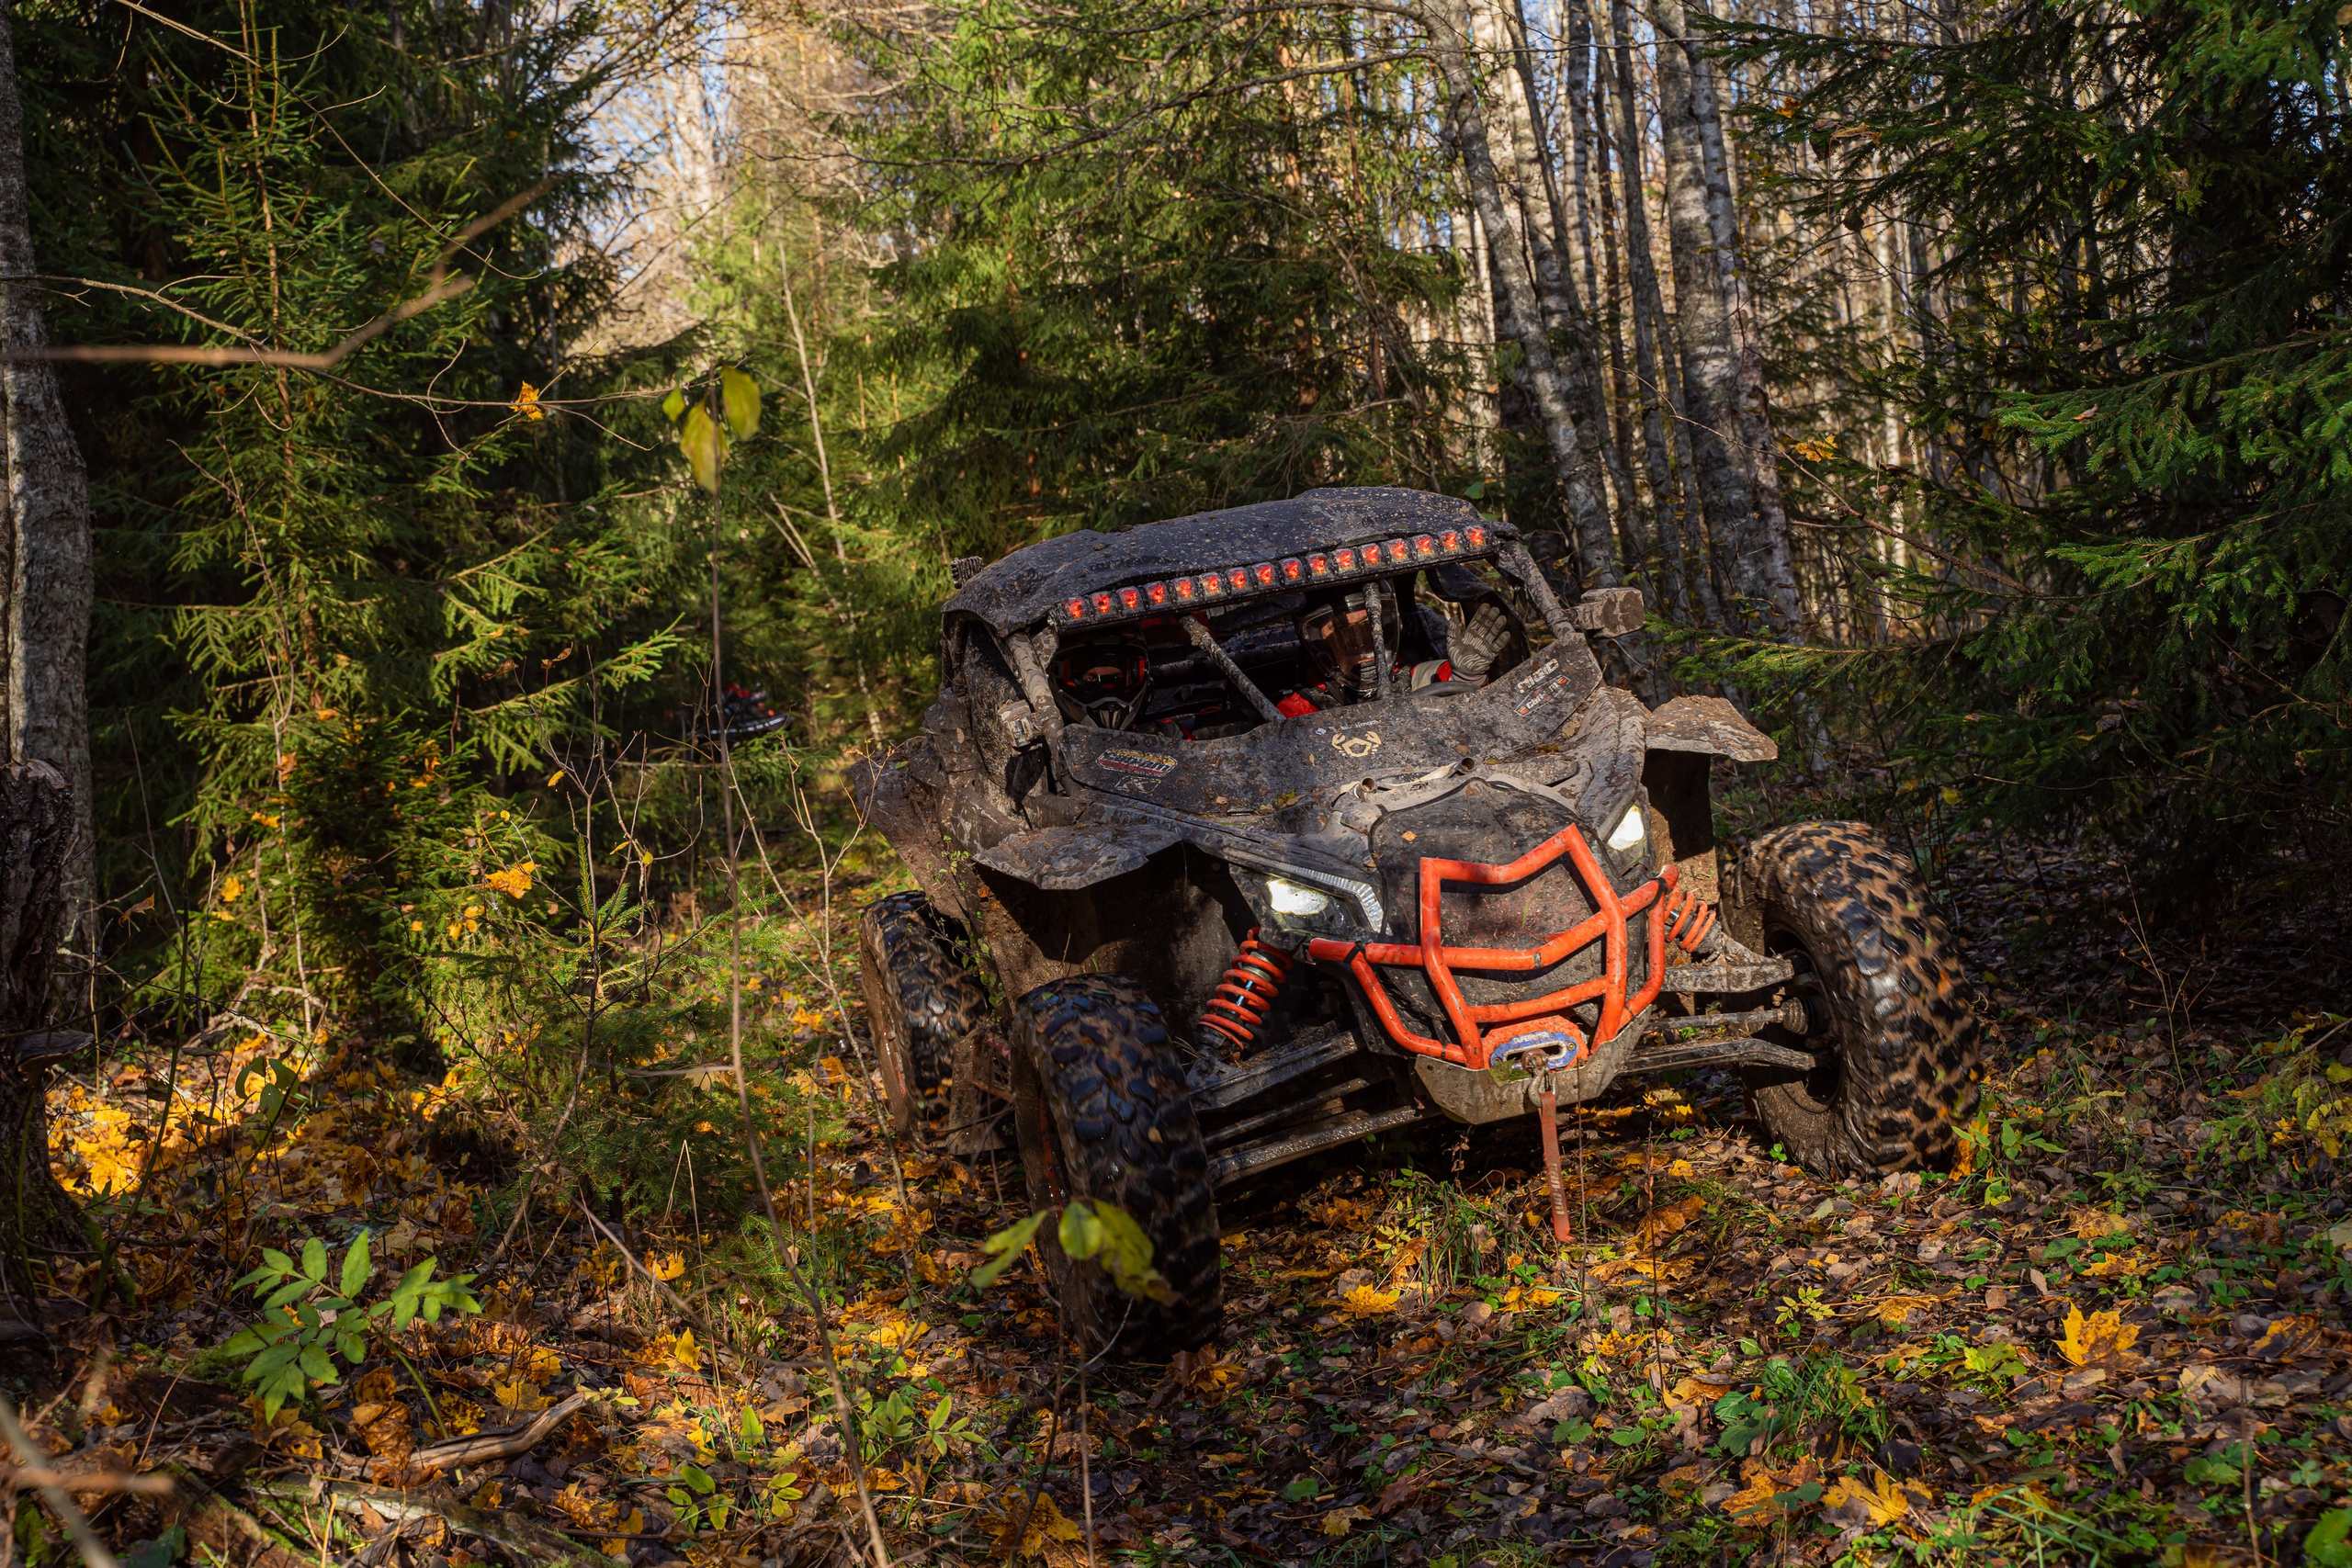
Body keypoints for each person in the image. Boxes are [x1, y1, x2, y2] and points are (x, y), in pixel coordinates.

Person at [1275, 581, 1517, 716]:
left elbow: (1481, 713)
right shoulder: (1299, 710)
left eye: (1370, 627)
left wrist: (1468, 676)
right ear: (1320, 644)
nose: (1362, 642)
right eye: (1343, 634)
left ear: (1388, 626)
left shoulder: (1425, 677)